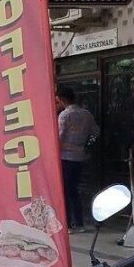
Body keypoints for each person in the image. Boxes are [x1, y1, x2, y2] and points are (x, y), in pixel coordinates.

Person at [56, 85, 99, 232]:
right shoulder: (86, 114)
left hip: (65, 157)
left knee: (66, 191)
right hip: (80, 156)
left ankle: (69, 223)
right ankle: (78, 221)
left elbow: (59, 137)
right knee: (73, 190)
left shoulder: (64, 115)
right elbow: (95, 132)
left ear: (62, 100)